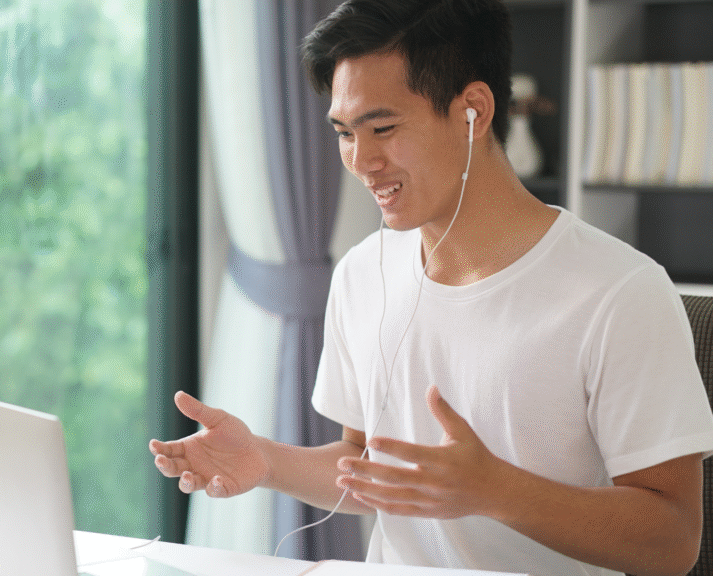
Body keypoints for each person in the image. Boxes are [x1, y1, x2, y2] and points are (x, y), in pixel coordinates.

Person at [149, 1, 713, 575]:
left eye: (384, 128)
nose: (362, 161)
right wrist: (264, 460)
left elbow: (672, 541)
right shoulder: (362, 273)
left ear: (473, 109)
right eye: (345, 133)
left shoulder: (621, 292)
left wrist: (498, 491)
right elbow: (365, 462)